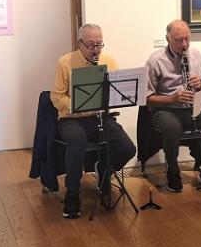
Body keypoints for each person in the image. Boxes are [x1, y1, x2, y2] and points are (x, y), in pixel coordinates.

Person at [50, 24, 136, 219]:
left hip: (99, 117)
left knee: (127, 148)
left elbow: (115, 93)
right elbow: (56, 96)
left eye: (99, 44)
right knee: (76, 142)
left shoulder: (109, 61)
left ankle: (104, 171)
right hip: (72, 119)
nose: (96, 49)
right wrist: (78, 108)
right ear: (80, 43)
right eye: (91, 45)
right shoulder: (65, 62)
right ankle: (72, 194)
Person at [145, 19, 201, 193]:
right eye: (179, 40)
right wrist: (172, 99)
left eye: (187, 39)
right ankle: (173, 171)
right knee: (171, 127)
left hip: (194, 108)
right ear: (168, 39)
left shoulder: (195, 54)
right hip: (166, 110)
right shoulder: (155, 60)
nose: (184, 44)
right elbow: (146, 98)